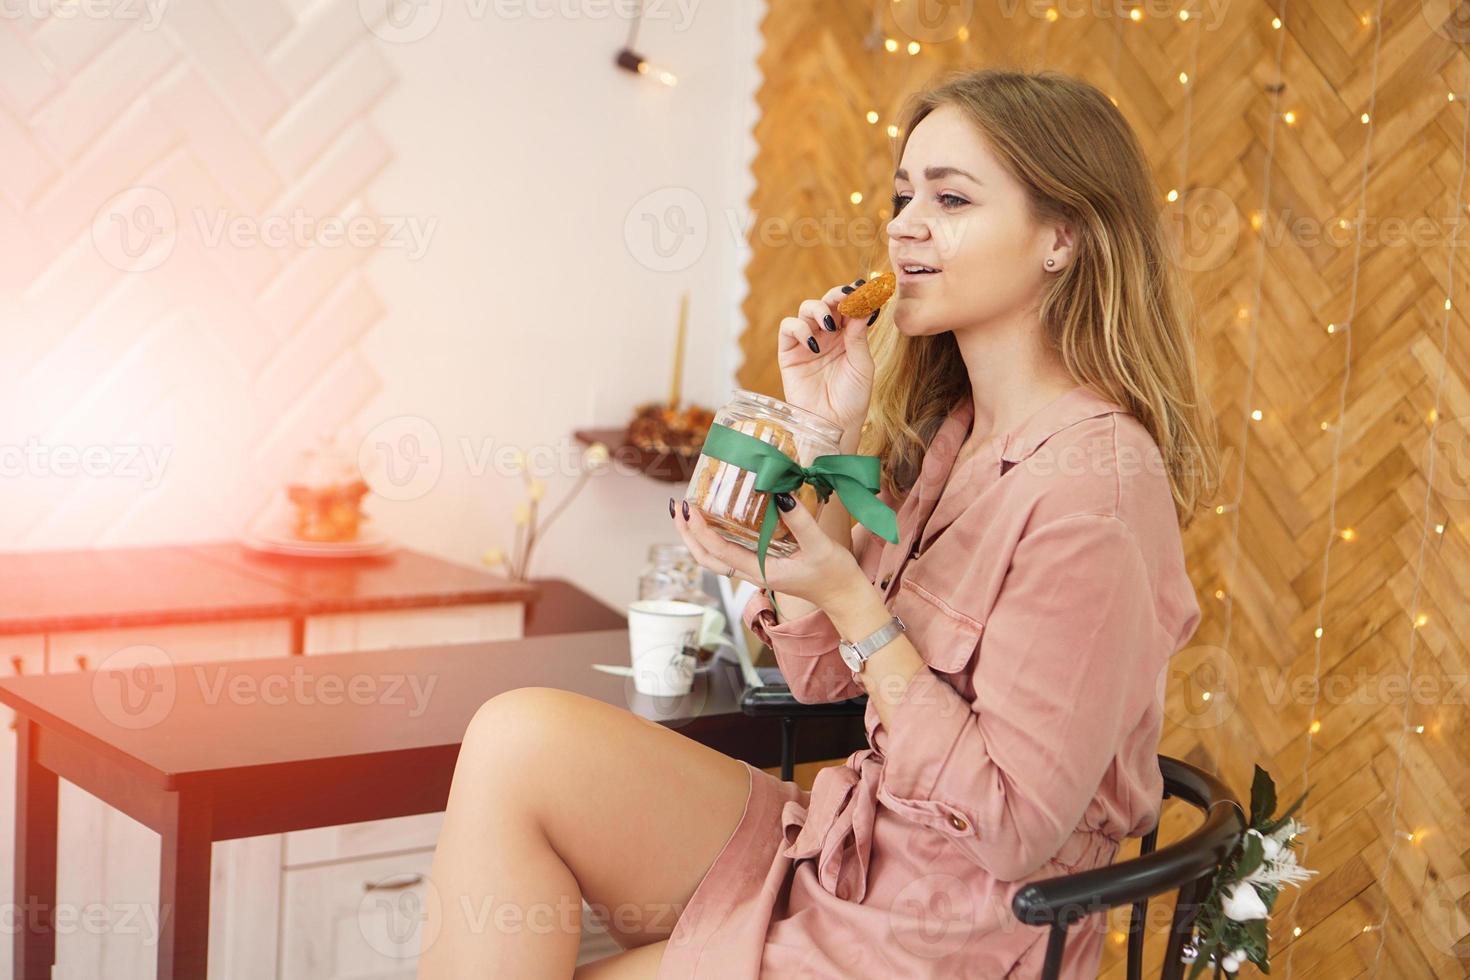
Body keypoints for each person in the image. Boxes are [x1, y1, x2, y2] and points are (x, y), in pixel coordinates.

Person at [418, 66, 1219, 979]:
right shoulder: (953, 436)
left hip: (951, 931)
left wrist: (852, 601)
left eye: (951, 198)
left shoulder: (1095, 492)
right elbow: (820, 678)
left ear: (1063, 239)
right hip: (846, 852)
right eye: (903, 194)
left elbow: (1009, 830)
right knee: (516, 736)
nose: (905, 223)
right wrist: (825, 432)